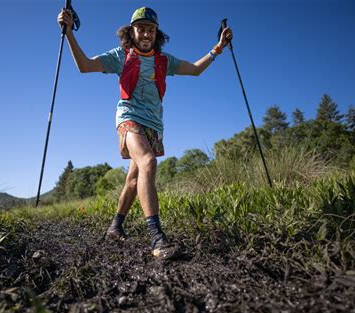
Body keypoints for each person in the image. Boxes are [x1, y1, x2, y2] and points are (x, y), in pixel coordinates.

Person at [57, 6, 233, 258]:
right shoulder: (121, 56)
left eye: (151, 29)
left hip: (153, 125)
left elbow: (195, 69)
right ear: (132, 31)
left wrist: (218, 48)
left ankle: (115, 227)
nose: (146, 34)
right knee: (148, 161)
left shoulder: (164, 61)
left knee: (133, 179)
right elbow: (84, 66)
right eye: (141, 29)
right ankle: (157, 239)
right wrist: (69, 33)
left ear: (156, 33)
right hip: (128, 119)